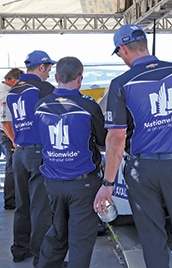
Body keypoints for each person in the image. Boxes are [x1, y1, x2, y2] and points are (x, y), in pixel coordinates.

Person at [93, 24, 172, 268]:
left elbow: (116, 139)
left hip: (141, 170)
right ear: (145, 44)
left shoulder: (121, 83)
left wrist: (108, 183)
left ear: (122, 49)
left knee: (152, 235)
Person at [35, 56, 107, 268]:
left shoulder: (41, 105)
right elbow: (103, 143)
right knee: (80, 241)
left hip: (53, 182)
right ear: (80, 79)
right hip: (83, 184)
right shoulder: (88, 106)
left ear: (56, 77)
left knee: (57, 233)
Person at [7, 50, 55, 265]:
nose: (50, 73)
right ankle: (41, 257)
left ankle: (20, 249)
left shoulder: (13, 90)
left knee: (22, 204)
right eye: (49, 68)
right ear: (42, 67)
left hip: (20, 152)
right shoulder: (43, 89)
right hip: (38, 153)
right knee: (41, 207)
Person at [0, 68, 23, 209]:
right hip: (6, 133)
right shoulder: (6, 94)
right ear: (13, 81)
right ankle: (10, 200)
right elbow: (5, 121)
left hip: (6, 132)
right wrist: (14, 140)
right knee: (12, 165)